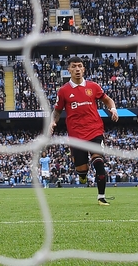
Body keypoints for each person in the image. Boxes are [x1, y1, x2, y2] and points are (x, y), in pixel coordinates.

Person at [50, 56, 119, 205]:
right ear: (69, 69)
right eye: (74, 66)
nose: (77, 69)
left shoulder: (93, 86)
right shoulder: (63, 91)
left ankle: (101, 197)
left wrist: (113, 109)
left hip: (95, 129)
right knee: (82, 170)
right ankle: (82, 175)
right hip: (76, 134)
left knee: (98, 162)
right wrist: (52, 122)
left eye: (79, 66)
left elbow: (108, 100)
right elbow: (57, 111)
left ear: (84, 69)